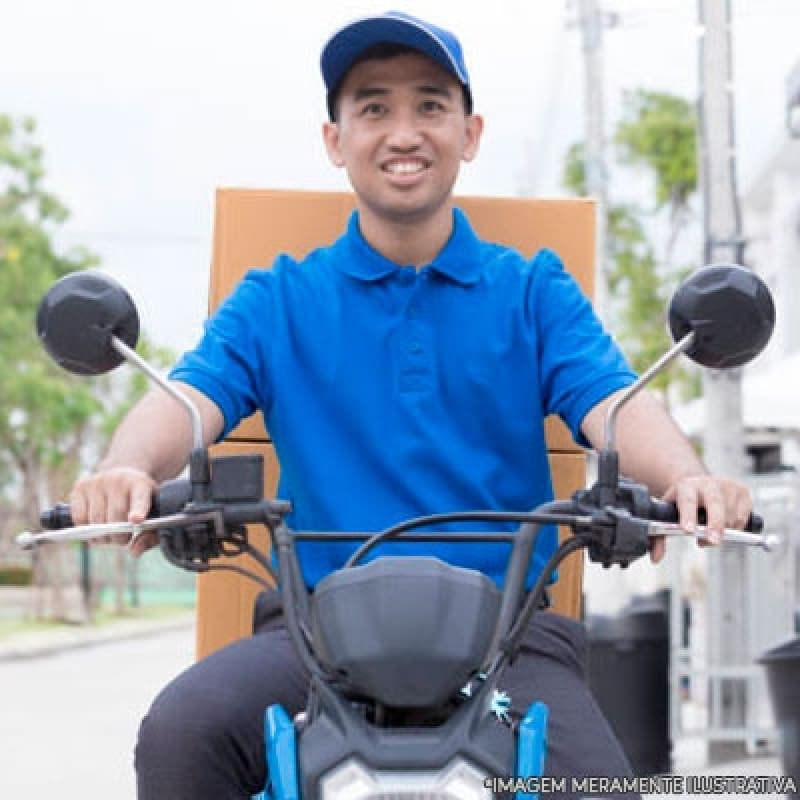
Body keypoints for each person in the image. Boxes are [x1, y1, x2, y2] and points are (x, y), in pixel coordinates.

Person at [69, 11, 752, 799]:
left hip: (505, 647)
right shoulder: (278, 297)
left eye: (431, 105)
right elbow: (185, 404)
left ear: (470, 132)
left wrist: (687, 477)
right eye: (373, 107)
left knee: (599, 785)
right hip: (318, 642)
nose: (404, 131)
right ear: (335, 138)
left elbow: (611, 401)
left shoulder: (532, 289)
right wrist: (122, 469)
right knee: (181, 730)